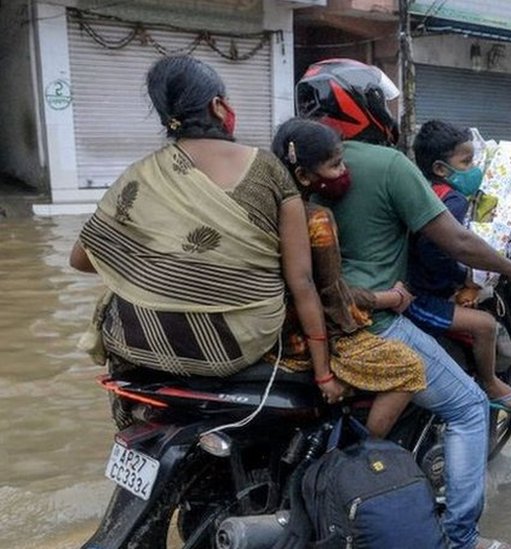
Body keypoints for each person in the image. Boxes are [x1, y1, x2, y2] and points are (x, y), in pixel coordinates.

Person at [296, 58, 511, 549]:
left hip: (312, 319)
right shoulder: (388, 165)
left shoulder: (296, 167)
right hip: (377, 320)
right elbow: (457, 242)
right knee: (470, 407)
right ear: (361, 105)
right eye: (381, 102)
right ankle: (461, 538)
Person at [69, 55, 329, 383]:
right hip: (231, 346)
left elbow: (81, 259)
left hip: (136, 341)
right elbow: (301, 281)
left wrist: (160, 267)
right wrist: (323, 372)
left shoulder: (141, 175)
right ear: (218, 106)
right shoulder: (268, 170)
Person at [270, 118, 426, 438]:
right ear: (303, 175)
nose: (343, 172)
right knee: (411, 368)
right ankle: (365, 455)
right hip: (306, 340)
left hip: (270, 331)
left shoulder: (264, 211)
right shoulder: (316, 219)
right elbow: (328, 292)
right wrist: (389, 299)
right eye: (335, 164)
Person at [408, 119, 511, 413]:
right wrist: (467, 277)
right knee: (486, 325)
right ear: (440, 168)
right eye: (466, 162)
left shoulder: (426, 190)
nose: (474, 168)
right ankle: (490, 382)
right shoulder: (450, 201)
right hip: (422, 299)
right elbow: (438, 252)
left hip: (416, 286)